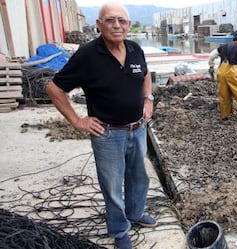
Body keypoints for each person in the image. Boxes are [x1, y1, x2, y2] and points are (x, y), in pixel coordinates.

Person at [46, 2, 156, 249]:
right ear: (99, 24)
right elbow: (54, 88)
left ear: (128, 25)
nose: (117, 25)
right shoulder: (87, 55)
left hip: (137, 128)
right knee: (112, 185)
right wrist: (77, 121)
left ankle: (135, 213)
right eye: (110, 20)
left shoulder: (135, 48)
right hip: (107, 134)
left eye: (122, 20)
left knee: (139, 177)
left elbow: (146, 74)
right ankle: (119, 231)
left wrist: (148, 99)